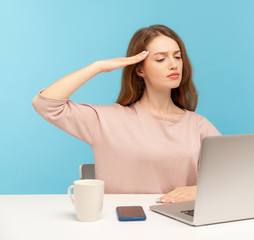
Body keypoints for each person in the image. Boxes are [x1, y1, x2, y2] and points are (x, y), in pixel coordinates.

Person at [32, 24, 221, 204]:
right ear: (140, 69)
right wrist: (98, 66)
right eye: (161, 58)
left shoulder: (198, 125)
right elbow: (46, 104)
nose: (173, 65)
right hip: (122, 225)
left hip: (180, 226)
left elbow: (234, 176)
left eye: (177, 57)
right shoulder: (107, 120)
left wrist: (199, 190)